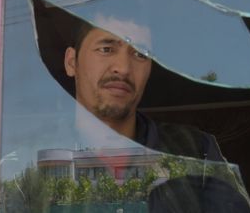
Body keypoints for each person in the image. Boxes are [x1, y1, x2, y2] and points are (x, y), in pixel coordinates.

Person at [63, 16, 224, 161]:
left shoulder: (195, 149)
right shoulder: (41, 147)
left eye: (141, 54)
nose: (124, 68)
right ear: (71, 62)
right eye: (106, 49)